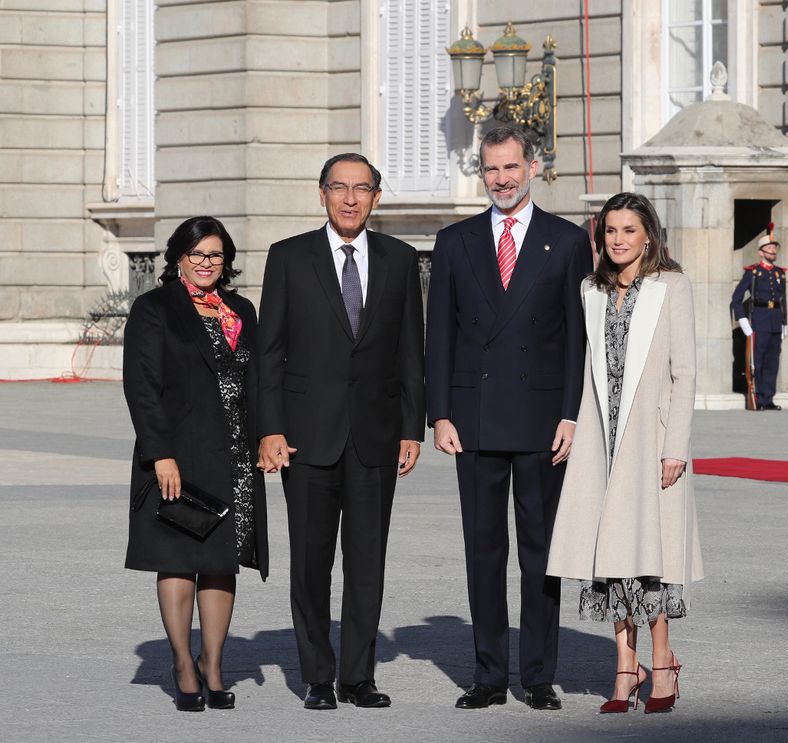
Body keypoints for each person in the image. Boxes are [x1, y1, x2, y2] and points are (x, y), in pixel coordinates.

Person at [425, 126, 593, 711]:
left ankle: (539, 676)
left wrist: (572, 414)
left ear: (534, 166)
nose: (502, 179)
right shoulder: (456, 241)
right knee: (483, 550)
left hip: (543, 418)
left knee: (541, 551)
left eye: (511, 168)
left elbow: (578, 340)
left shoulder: (568, 241)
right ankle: (489, 675)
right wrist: (439, 413)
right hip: (472, 419)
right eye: (492, 170)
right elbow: (439, 333)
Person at [256, 153, 425, 710]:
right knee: (309, 562)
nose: (350, 199)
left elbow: (409, 352)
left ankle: (358, 677)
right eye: (339, 188)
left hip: (376, 437)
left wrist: (410, 428)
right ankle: (317, 675)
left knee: (367, 562)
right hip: (305, 438)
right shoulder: (288, 258)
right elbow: (270, 354)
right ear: (321, 194)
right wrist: (270, 429)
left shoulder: (401, 261)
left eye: (362, 189)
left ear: (377, 196)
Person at [547, 192, 704, 715]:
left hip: (651, 442)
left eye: (628, 230)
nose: (618, 240)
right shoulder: (591, 289)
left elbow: (685, 374)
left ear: (649, 235)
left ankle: (662, 665)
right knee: (609, 557)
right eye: (610, 231)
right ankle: (624, 667)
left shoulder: (672, 286)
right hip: (602, 440)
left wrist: (675, 447)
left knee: (650, 557)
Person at [123, 216, 268, 712]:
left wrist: (268, 436)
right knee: (181, 558)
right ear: (178, 257)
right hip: (177, 455)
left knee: (221, 564)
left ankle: (213, 662)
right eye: (197, 254)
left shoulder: (241, 310)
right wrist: (159, 452)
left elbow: (260, 380)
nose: (206, 263)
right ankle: (183, 663)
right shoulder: (155, 308)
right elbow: (141, 386)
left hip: (234, 456)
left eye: (215, 255)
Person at [730, 231, 788, 410]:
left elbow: (783, 300)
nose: (773, 251)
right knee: (759, 361)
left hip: (775, 321)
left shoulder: (780, 273)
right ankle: (758, 398)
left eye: (774, 248)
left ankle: (769, 398)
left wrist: (784, 322)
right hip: (760, 320)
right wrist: (743, 321)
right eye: (769, 248)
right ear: (761, 252)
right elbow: (736, 298)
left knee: (773, 361)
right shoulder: (753, 273)